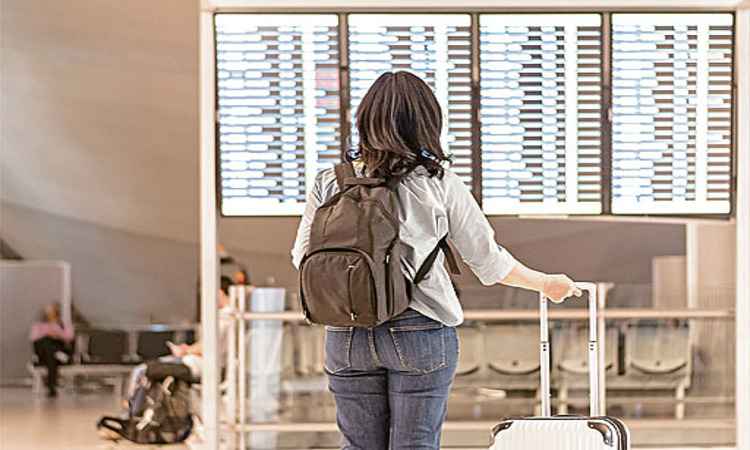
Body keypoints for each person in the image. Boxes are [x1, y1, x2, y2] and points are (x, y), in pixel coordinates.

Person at [291, 71, 582, 450]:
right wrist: (545, 283)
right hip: (419, 329)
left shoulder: (329, 181)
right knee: (416, 444)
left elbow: (302, 257)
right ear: (426, 122)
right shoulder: (438, 182)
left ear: (364, 119)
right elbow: (488, 261)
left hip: (345, 334)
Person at [126, 276, 235, 398]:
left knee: (142, 370)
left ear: (219, 292)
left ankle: (131, 408)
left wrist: (185, 351)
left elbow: (207, 346)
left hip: (197, 366)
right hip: (199, 364)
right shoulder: (231, 316)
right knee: (151, 369)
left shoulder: (224, 318)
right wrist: (189, 349)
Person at [30, 303, 74, 397]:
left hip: (55, 350)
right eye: (48, 312)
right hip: (44, 352)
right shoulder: (38, 325)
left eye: (52, 312)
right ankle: (57, 355)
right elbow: (33, 338)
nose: (50, 314)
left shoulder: (63, 324)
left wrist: (57, 334)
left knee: (50, 351)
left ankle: (51, 388)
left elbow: (69, 337)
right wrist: (47, 334)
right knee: (45, 341)